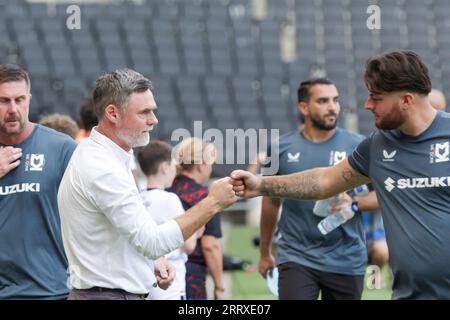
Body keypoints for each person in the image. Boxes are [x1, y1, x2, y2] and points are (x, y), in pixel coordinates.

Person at [231, 50, 450, 300]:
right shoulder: (377, 146)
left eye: (376, 98)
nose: (368, 105)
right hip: (408, 294)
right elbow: (324, 181)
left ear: (407, 100)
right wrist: (261, 184)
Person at [57, 68, 236, 300]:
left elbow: (125, 236)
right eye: (144, 112)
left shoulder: (106, 157)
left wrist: (151, 261)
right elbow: (152, 242)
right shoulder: (102, 167)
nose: (154, 120)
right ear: (112, 113)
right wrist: (213, 202)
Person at [258, 78, 373, 300]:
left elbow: (384, 194)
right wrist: (264, 253)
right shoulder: (279, 148)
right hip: (296, 255)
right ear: (304, 107)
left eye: (335, 100)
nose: (332, 107)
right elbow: (270, 202)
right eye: (323, 101)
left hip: (346, 258)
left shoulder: (359, 146)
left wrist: (355, 204)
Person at [0, 64, 77, 299]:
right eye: (3, 101)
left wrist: (151, 257)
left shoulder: (61, 148)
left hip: (51, 290)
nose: (13, 109)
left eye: (19, 99)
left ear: (29, 100)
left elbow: (101, 208)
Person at [137, 140, 199, 300]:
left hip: (143, 279)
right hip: (169, 281)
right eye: (172, 164)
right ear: (165, 167)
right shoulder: (170, 199)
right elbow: (188, 246)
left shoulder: (137, 198)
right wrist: (195, 230)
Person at [168, 137, 225, 300]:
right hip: (191, 277)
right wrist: (219, 287)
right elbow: (210, 245)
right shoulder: (205, 197)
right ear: (201, 165)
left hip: (162, 274)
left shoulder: (166, 189)